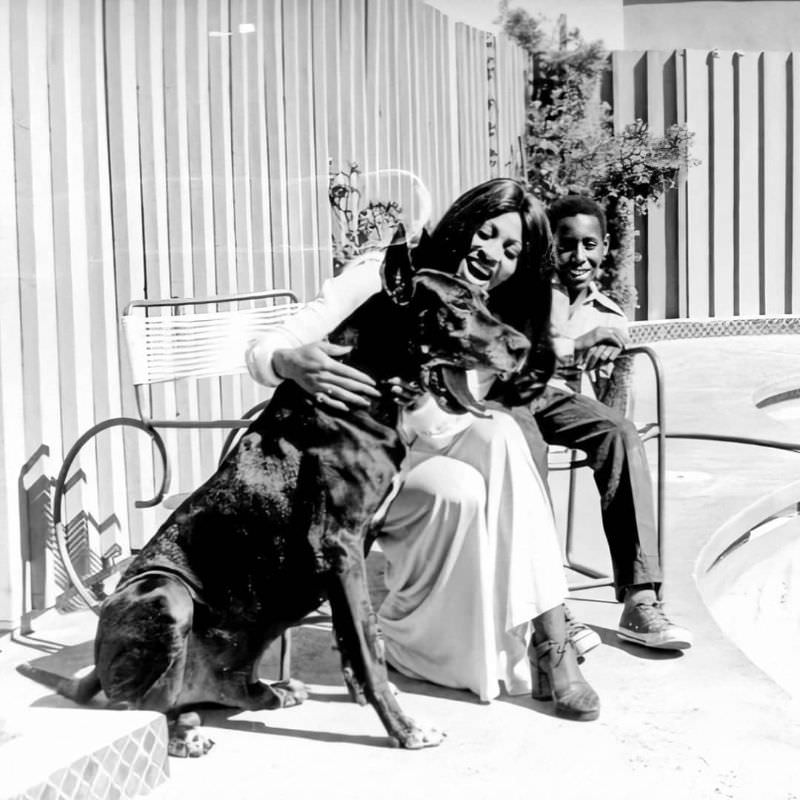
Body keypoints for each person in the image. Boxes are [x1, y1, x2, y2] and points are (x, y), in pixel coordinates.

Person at [246, 178, 600, 721]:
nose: (491, 255)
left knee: (500, 436)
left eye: (511, 251)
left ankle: (550, 638)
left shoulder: (483, 310)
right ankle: (545, 643)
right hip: (357, 471)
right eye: (486, 233)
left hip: (424, 452)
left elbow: (453, 417)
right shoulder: (384, 276)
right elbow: (265, 346)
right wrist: (289, 362)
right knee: (462, 482)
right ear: (463, 221)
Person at [533, 194, 693, 651]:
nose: (578, 257)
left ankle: (640, 600)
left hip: (570, 410)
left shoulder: (610, 313)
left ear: (605, 247)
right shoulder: (529, 291)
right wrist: (578, 343)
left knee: (622, 435)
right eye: (567, 245)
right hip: (518, 399)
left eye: (589, 244)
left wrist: (616, 361)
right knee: (521, 444)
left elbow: (613, 408)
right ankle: (547, 602)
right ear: (549, 246)